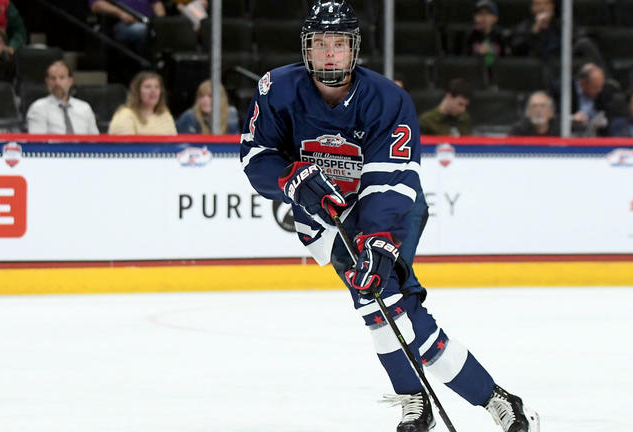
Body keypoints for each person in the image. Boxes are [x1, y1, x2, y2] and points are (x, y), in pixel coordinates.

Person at [240, 2, 540, 432]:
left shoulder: (386, 99)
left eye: (338, 44)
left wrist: (378, 239)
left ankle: (439, 402)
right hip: (325, 220)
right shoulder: (278, 89)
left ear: (353, 49)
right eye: (320, 43)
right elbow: (256, 156)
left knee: (381, 299)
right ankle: (488, 399)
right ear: (306, 49)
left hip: (391, 209)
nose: (329, 54)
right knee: (386, 305)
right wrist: (290, 178)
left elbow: (392, 180)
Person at [26, 60, 99, 135]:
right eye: (53, 78)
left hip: (83, 146)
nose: (57, 83)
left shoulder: (85, 108)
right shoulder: (38, 108)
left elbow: (96, 140)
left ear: (70, 81)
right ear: (47, 81)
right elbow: (37, 143)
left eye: (62, 78)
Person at [108, 70, 176, 135]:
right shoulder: (125, 114)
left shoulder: (164, 113)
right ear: (137, 91)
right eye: (147, 87)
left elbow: (175, 143)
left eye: (157, 87)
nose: (153, 91)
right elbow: (124, 146)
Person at [89, 0, 166, 54]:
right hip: (120, 24)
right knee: (141, 30)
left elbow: (157, 5)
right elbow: (96, 4)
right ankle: (147, 67)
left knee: (167, 30)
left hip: (149, 23)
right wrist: (120, 13)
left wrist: (161, 23)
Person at [571, 63, 616, 136]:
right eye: (595, 87)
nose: (599, 90)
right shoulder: (566, 92)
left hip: (595, 137)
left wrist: (603, 122)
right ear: (582, 84)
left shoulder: (603, 92)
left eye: (601, 86)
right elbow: (557, 117)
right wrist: (572, 119)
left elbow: (610, 117)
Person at [465, 0, 507, 68]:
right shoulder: (469, 35)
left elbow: (507, 56)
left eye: (487, 14)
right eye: (480, 13)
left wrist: (490, 49)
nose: (483, 18)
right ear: (474, 17)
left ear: (495, 18)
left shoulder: (501, 36)